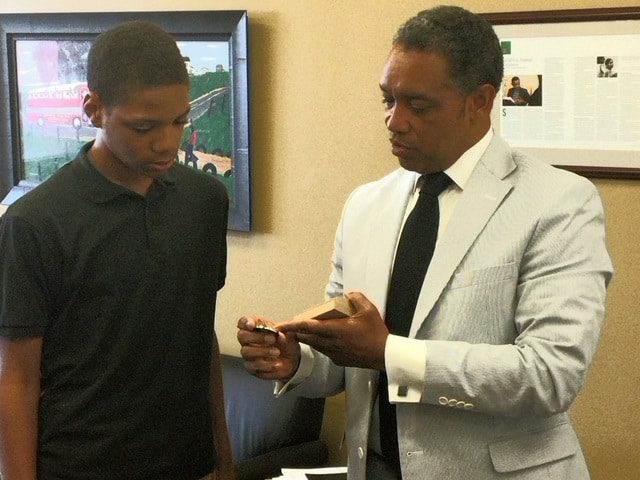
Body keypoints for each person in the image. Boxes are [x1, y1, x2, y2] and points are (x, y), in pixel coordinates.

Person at [237, 6, 612, 480]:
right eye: (387, 100)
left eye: (419, 104)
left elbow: (549, 375)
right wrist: (296, 360)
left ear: (481, 101)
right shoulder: (365, 205)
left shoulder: (559, 203)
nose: (395, 121)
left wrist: (389, 352)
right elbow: (349, 359)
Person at [0, 21, 234, 480]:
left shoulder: (205, 202)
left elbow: (199, 334)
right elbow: (16, 379)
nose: (168, 142)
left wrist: (223, 459)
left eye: (180, 120)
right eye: (144, 126)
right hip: (79, 467)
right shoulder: (33, 225)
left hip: (188, 466)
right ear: (94, 109)